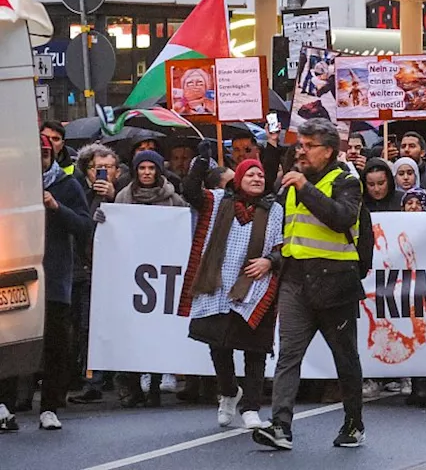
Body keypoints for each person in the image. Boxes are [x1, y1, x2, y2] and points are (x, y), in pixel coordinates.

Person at [253, 118, 365, 451]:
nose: (300, 151)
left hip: (335, 283)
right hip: (296, 280)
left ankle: (353, 423)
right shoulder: (291, 182)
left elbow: (341, 218)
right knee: (288, 355)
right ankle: (281, 426)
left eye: (309, 146)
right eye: (299, 145)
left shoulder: (346, 181)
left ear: (329, 150)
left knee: (345, 358)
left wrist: (304, 188)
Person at [178, 153, 283, 430]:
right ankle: (228, 392)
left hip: (256, 287)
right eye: (250, 174)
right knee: (218, 343)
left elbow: (285, 247)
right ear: (238, 180)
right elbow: (189, 191)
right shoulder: (216, 202)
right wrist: (200, 160)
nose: (257, 178)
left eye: (260, 175)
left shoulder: (275, 210)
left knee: (255, 349)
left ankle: (251, 408)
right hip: (219, 286)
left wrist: (270, 261)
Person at [0, 134, 91, 432]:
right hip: (15, 278)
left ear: (52, 155)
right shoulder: (10, 182)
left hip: (54, 279)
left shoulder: (67, 185)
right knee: (10, 344)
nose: (39, 159)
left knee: (56, 345)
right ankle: (5, 406)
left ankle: (50, 407)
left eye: (44, 154)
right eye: (34, 154)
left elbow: (84, 226)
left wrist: (56, 207)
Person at [106, 149, 190, 407]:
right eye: (142, 168)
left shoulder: (172, 198)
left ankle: (155, 383)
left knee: (157, 330)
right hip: (132, 271)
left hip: (162, 271)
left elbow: (185, 224)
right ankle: (133, 386)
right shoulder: (123, 197)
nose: (146, 173)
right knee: (133, 331)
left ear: (158, 171)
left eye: (151, 169)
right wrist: (104, 217)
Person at [66, 145, 120, 405]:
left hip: (118, 270)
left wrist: (113, 198)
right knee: (86, 326)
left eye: (108, 168)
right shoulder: (79, 194)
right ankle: (92, 380)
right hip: (86, 269)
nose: (102, 173)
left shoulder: (123, 194)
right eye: (97, 168)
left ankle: (110, 377)